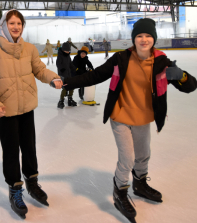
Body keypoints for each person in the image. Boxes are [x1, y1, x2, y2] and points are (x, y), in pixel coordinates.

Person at [63, 18, 197, 223]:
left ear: (154, 39)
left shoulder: (162, 62)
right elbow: (95, 76)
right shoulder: (120, 59)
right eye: (139, 36)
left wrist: (181, 76)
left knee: (143, 155)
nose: (144, 39)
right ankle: (120, 191)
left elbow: (190, 86)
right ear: (134, 39)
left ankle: (140, 184)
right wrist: (67, 82)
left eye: (148, 36)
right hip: (121, 115)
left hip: (143, 117)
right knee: (127, 159)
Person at [0, 9, 62, 219]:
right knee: (10, 152)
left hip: (26, 109)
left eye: (19, 23)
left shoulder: (29, 49)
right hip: (6, 111)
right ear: (3, 26)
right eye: (11, 23)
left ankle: (32, 183)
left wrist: (53, 78)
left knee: (29, 147)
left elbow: (39, 69)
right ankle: (15, 189)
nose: (16, 27)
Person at [56, 41, 77, 109]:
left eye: (69, 51)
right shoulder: (60, 56)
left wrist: (75, 69)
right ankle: (61, 101)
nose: (68, 52)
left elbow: (70, 64)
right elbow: (58, 64)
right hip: (63, 75)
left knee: (71, 86)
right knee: (65, 88)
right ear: (63, 50)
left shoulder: (68, 56)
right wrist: (62, 69)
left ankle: (70, 99)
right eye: (66, 50)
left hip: (68, 74)